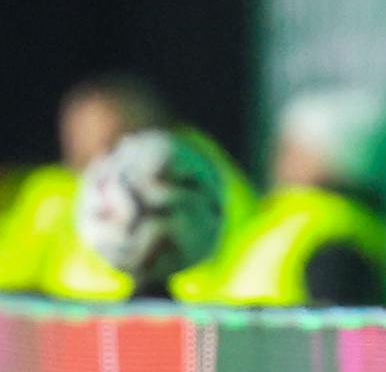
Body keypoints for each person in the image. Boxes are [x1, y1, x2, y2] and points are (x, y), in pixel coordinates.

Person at [0, 74, 254, 301]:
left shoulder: (196, 179)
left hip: (186, 328)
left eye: (108, 143)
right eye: (77, 142)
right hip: (75, 336)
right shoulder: (52, 192)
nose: (96, 160)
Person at [208, 88, 386, 306]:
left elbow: (335, 329)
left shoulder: (334, 234)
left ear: (328, 157)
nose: (277, 158)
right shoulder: (291, 217)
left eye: (292, 147)